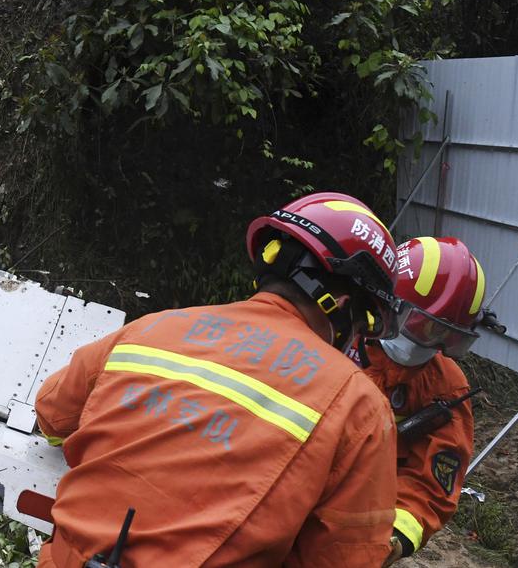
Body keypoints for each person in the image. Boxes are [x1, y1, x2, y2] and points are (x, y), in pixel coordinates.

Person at [35, 192, 402, 567]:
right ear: (341, 307)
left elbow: (52, 415)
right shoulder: (359, 404)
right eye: (366, 324)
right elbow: (345, 556)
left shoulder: (155, 326)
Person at [356, 237, 492, 564]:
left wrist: (396, 540)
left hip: (362, 525)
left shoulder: (447, 388)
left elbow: (431, 486)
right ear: (389, 303)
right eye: (423, 325)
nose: (430, 342)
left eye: (446, 334)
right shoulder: (336, 333)